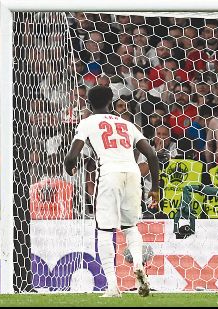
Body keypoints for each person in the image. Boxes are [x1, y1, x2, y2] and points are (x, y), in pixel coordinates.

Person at [64, 86, 159, 297]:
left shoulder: (88, 122)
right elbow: (152, 155)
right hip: (133, 174)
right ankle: (138, 266)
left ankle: (113, 287)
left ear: (88, 104)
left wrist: (68, 166)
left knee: (105, 230)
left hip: (109, 174)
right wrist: (155, 189)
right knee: (130, 227)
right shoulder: (127, 124)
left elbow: (73, 155)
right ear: (111, 102)